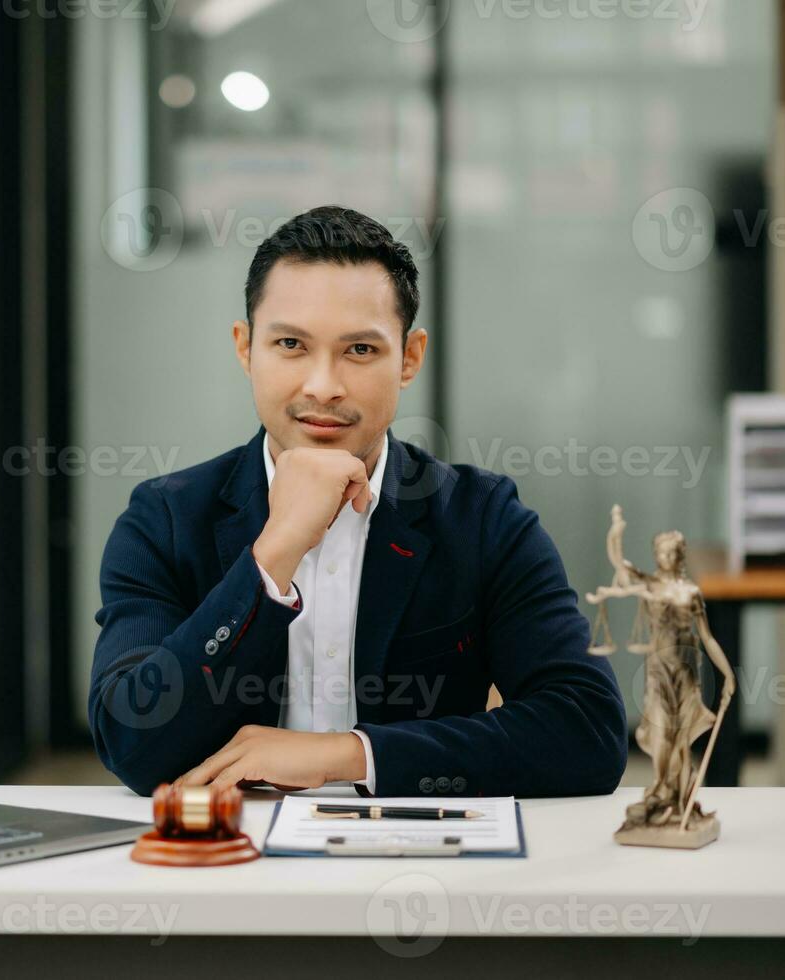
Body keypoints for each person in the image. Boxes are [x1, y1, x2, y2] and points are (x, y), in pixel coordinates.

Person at [88, 205, 628, 798]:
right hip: (230, 857)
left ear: (410, 358)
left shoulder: (481, 517)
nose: (323, 385)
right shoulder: (164, 519)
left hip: (422, 856)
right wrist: (273, 555)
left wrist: (347, 756)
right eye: (290, 344)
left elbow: (588, 730)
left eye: (361, 351)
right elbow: (132, 742)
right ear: (246, 348)